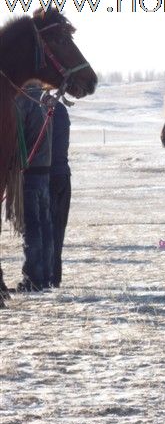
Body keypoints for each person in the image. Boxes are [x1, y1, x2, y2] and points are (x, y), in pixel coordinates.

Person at [15, 82, 54, 291]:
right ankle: (45, 275)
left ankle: (32, 278)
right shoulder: (44, 100)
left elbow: (16, 131)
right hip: (44, 170)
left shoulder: (25, 100)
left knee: (31, 227)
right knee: (45, 225)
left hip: (29, 171)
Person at [49, 101, 71, 288]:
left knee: (41, 227)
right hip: (63, 173)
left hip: (44, 175)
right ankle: (55, 276)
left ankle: (40, 276)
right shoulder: (60, 108)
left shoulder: (37, 106)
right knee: (58, 228)